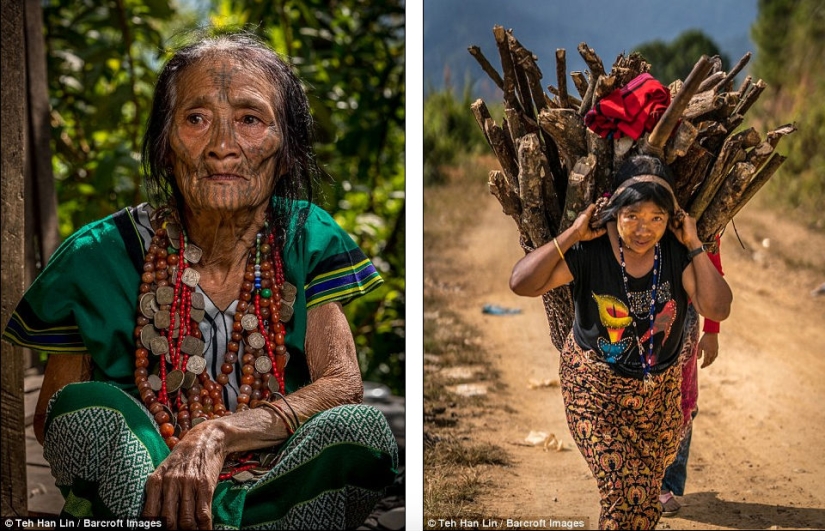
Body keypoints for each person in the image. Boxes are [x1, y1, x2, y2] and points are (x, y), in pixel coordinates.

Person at [2, 31, 398, 530]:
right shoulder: (97, 256)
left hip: (273, 478)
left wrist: (218, 434)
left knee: (360, 432)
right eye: (197, 119)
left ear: (287, 151)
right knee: (84, 408)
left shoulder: (305, 236)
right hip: (144, 484)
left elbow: (341, 384)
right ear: (165, 145)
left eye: (250, 120)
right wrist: (159, 455)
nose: (223, 148)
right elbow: (52, 420)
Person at [509, 154, 732, 530]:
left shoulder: (677, 254)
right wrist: (572, 234)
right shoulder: (589, 252)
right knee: (620, 491)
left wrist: (694, 243)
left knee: (645, 505)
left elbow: (718, 307)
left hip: (658, 396)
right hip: (595, 391)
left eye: (656, 219)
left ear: (670, 219)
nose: (644, 229)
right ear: (615, 213)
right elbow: (521, 283)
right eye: (633, 217)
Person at [660, 240, 724, 516]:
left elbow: (712, 269)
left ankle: (664, 485)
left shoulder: (697, 220)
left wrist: (712, 329)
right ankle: (643, 481)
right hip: (638, 310)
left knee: (683, 403)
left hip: (684, 314)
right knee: (645, 400)